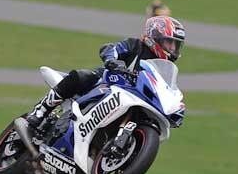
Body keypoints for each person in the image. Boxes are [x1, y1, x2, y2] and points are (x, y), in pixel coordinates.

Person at [26, 15, 185, 130]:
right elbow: (111, 49)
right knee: (82, 76)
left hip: (134, 98)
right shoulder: (135, 45)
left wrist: (174, 109)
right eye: (169, 42)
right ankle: (41, 110)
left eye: (176, 45)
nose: (172, 49)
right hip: (108, 82)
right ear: (155, 36)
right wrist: (112, 60)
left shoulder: (164, 67)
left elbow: (165, 88)